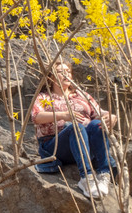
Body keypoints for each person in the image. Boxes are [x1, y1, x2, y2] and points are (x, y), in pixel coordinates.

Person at [29, 60, 117, 199]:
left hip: (85, 144)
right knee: (76, 127)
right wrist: (63, 116)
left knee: (96, 125)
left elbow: (99, 112)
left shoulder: (81, 95)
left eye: (68, 72)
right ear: (51, 77)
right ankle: (86, 178)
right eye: (61, 72)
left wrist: (111, 116)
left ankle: (103, 175)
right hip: (56, 146)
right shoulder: (44, 97)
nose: (66, 75)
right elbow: (36, 117)